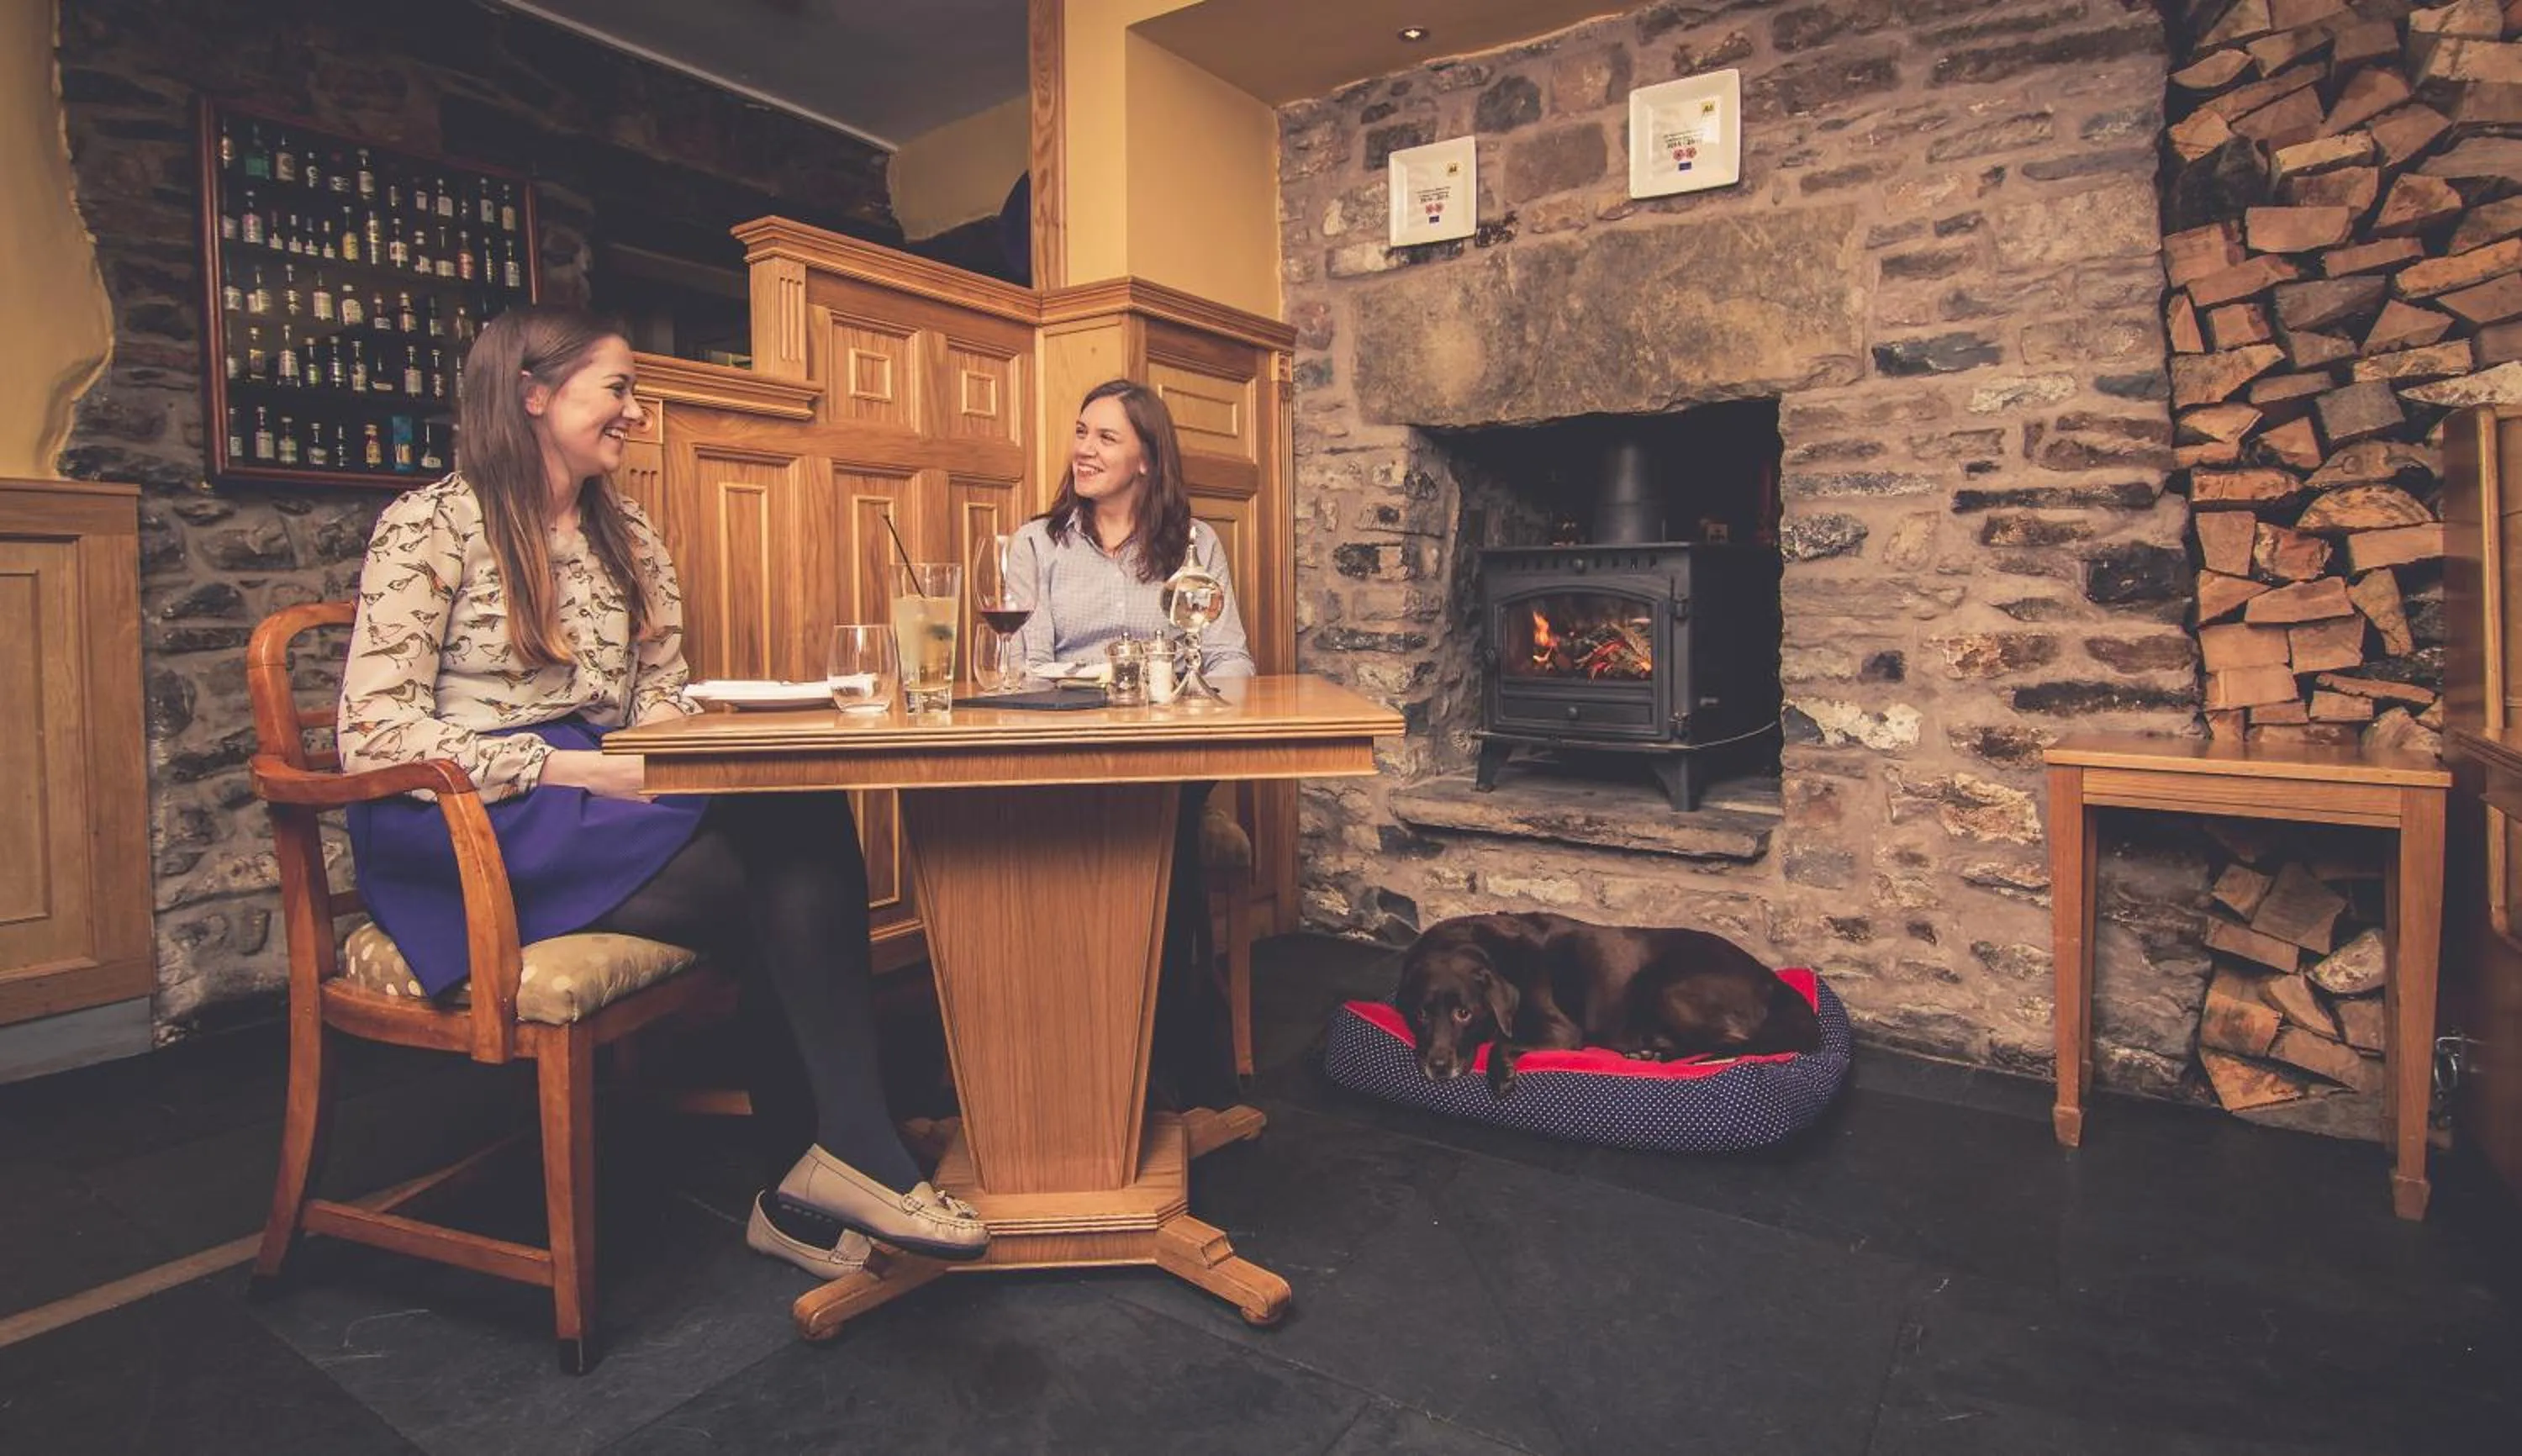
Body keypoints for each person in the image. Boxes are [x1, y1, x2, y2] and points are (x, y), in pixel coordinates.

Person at [336, 303, 985, 1279]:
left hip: (591, 801)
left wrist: (707, 738)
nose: (636, 411)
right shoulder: (431, 524)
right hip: (466, 819)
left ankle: (834, 1164)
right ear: (534, 393)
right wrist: (581, 768)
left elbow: (656, 696)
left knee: (796, 808)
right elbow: (374, 731)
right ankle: (839, 1160)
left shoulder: (627, 532)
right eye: (619, 388)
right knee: (783, 874)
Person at [1006, 377, 1253, 1108]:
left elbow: (1229, 656)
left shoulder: (1195, 543)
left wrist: (1216, 710)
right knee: (1137, 828)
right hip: (1066, 749)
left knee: (1157, 814)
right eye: (1082, 432)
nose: (1084, 449)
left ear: (1147, 458)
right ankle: (1096, 1053)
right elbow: (1026, 664)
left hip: (1170, 746)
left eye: (1106, 437)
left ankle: (1153, 1067)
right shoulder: (1036, 543)